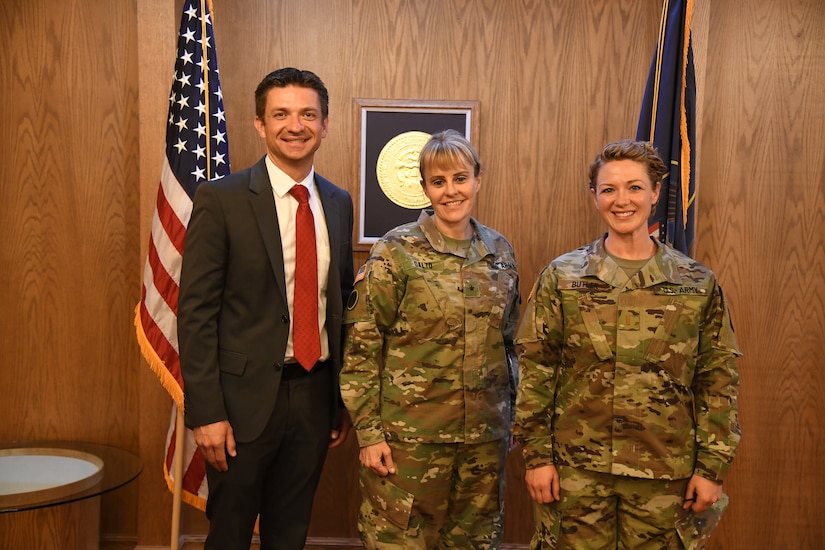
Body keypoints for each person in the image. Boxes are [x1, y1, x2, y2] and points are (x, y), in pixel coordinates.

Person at [514, 139, 741, 549]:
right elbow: (536, 372)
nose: (623, 200)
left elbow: (717, 381)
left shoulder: (695, 283)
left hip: (664, 472)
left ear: (655, 193)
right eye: (609, 189)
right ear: (594, 196)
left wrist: (712, 467)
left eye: (635, 187)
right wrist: (538, 458)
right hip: (576, 471)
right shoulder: (562, 277)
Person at [178, 67, 354, 549]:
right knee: (230, 532)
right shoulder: (222, 198)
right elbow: (194, 314)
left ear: (324, 124)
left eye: (307, 114)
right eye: (281, 114)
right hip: (239, 405)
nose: (294, 126)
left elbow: (339, 302)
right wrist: (205, 412)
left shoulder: (338, 202)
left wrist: (338, 400)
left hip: (314, 396)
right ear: (260, 124)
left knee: (290, 531)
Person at [340, 129, 521, 549]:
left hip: (482, 443)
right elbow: (362, 349)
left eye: (460, 178)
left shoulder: (500, 251)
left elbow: (509, 344)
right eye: (438, 182)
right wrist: (368, 434)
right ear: (424, 188)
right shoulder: (395, 251)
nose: (451, 191)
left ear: (478, 179)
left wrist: (510, 417)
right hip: (408, 445)